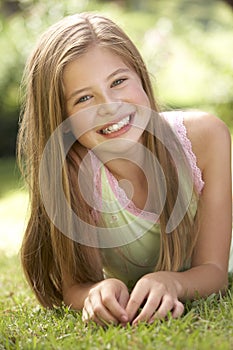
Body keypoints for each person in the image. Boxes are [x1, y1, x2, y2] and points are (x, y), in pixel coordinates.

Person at [17, 12, 232, 327]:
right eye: (84, 98)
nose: (109, 106)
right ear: (61, 119)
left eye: (118, 81)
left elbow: (215, 271)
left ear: (141, 76)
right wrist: (97, 291)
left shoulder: (204, 139)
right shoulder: (75, 175)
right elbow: (75, 287)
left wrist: (173, 282)